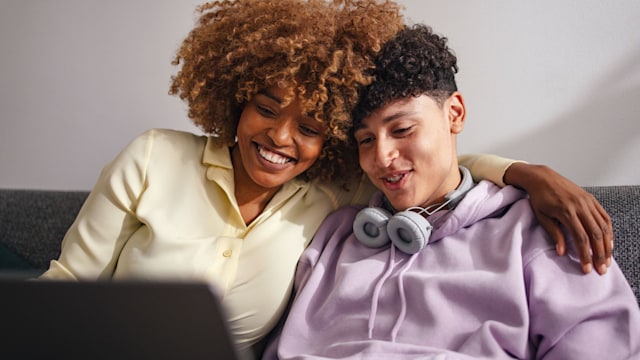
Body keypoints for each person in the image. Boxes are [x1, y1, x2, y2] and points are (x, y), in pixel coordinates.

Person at [38, 0, 613, 356]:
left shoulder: (339, 201)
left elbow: (438, 181)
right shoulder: (158, 159)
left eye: (312, 126)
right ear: (236, 98)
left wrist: (525, 175)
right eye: (265, 107)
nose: (282, 138)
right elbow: (65, 284)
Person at [262, 24, 640, 359]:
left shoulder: (538, 230)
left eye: (403, 130)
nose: (382, 157)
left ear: (454, 113)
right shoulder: (335, 236)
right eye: (364, 140)